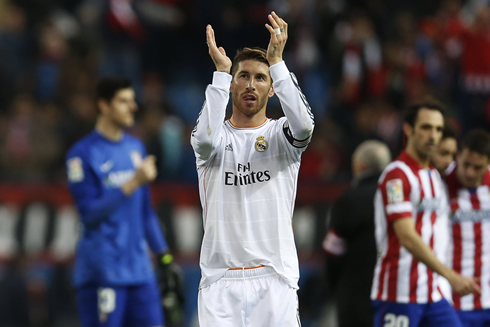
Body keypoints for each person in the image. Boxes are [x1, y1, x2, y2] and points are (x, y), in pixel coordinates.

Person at [190, 12, 314, 327]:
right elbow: (202, 139)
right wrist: (220, 72)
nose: (251, 85)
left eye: (261, 78)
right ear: (232, 85)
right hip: (220, 282)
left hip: (275, 279)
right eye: (243, 76)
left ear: (272, 89)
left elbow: (305, 126)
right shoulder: (214, 141)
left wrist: (278, 63)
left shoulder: (280, 136)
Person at [66, 77, 176, 327]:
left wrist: (164, 257)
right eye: (124, 101)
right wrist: (133, 181)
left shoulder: (135, 147)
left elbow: (145, 211)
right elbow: (89, 213)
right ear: (104, 105)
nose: (133, 107)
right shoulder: (81, 154)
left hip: (140, 272)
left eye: (132, 100)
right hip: (102, 272)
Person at [371, 97, 481, 327]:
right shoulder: (396, 176)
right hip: (399, 294)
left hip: (433, 293)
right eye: (426, 127)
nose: (433, 135)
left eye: (438, 129)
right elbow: (407, 236)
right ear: (408, 130)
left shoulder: (433, 177)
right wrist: (452, 276)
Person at [323, 140, 391, 327]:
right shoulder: (398, 197)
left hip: (356, 297)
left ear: (359, 166)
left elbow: (333, 252)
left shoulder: (348, 200)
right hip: (394, 295)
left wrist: (333, 287)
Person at [444, 129, 490, 326]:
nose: (470, 172)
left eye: (478, 167)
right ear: (457, 156)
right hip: (452, 301)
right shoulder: (438, 184)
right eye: (466, 164)